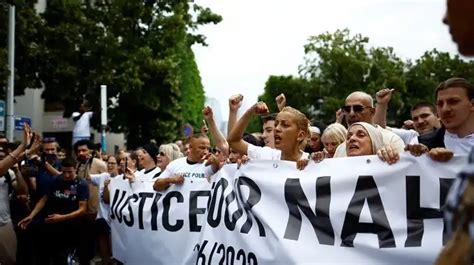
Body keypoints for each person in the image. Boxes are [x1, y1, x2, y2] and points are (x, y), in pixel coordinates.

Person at [18, 157, 89, 265]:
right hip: (53, 224)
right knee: (48, 254)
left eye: (70, 172)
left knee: (65, 257)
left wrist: (62, 217)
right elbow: (44, 199)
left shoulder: (81, 184)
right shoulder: (56, 180)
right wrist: (31, 215)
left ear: (75, 169)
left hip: (71, 226)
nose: (66, 175)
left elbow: (82, 209)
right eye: (64, 172)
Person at [228, 103, 310, 163]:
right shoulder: (267, 156)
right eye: (276, 124)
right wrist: (250, 111)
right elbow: (233, 141)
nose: (277, 129)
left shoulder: (312, 163)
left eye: (285, 125)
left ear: (300, 135)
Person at [334, 91, 405, 157]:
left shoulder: (391, 140)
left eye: (358, 108)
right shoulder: (341, 148)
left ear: (372, 111)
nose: (351, 114)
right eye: (347, 109)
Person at [152, 133, 219, 191]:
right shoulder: (175, 164)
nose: (206, 152)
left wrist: (216, 162)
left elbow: (219, 170)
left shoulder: (210, 165)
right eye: (202, 148)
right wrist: (169, 180)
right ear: (190, 147)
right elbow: (156, 186)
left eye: (208, 148)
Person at [87, 155, 119, 265]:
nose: (110, 165)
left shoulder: (122, 179)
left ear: (118, 165)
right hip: (101, 219)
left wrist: (106, 188)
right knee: (104, 252)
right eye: (108, 163)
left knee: (114, 253)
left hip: (114, 222)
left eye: (113, 163)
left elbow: (107, 200)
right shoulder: (103, 176)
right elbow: (87, 177)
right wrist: (86, 162)